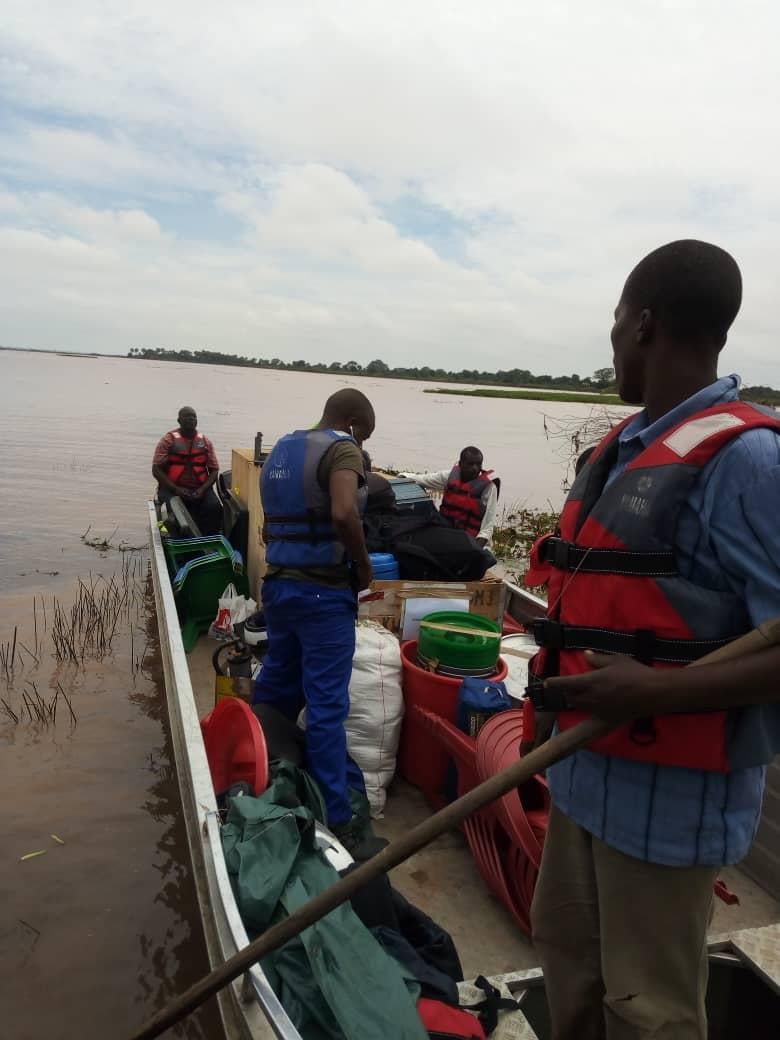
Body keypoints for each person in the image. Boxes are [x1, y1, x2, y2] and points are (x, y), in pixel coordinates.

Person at [526, 240, 780, 1039]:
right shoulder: (626, 446)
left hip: (667, 806)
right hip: (580, 776)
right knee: (568, 968)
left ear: (643, 325)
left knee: (650, 1013)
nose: (610, 347)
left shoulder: (748, 462)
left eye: (613, 325)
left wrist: (657, 691)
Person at [253, 388, 384, 860]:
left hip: (279, 588)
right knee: (327, 708)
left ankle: (256, 775)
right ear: (352, 420)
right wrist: (363, 564)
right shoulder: (341, 448)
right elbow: (344, 511)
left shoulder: (282, 450)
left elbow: (269, 526)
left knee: (275, 687)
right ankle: (338, 819)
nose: (361, 446)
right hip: (323, 595)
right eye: (362, 434)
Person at [401, 446, 498, 546]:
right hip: (446, 531)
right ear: (460, 464)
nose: (475, 468)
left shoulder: (489, 488)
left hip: (469, 539)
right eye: (470, 464)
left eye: (478, 464)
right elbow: (423, 480)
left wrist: (474, 550)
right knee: (425, 509)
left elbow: (487, 528)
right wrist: (403, 476)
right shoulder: (449, 476)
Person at [152, 406, 223, 535]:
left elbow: (214, 470)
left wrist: (202, 490)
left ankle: (209, 541)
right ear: (179, 420)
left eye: (193, 416)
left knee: (214, 507)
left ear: (197, 421)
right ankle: (176, 542)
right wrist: (175, 489)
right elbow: (156, 469)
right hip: (172, 489)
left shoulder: (205, 441)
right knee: (176, 516)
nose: (191, 419)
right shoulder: (168, 440)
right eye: (187, 416)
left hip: (200, 489)